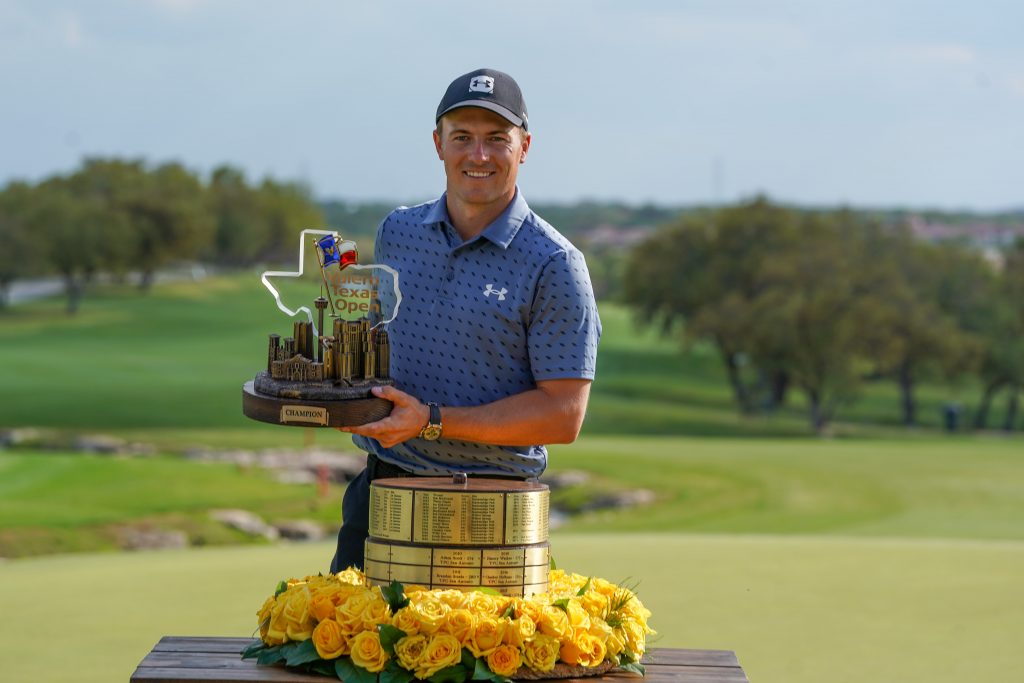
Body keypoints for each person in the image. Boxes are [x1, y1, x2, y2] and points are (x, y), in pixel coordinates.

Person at [330, 68, 602, 574]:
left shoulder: (555, 264)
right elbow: (373, 345)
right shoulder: (398, 232)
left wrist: (432, 420)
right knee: (341, 649)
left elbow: (564, 415)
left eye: (496, 139)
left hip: (494, 508)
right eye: (463, 138)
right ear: (438, 144)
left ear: (524, 147)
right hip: (381, 489)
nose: (478, 156)